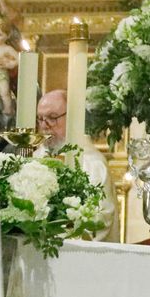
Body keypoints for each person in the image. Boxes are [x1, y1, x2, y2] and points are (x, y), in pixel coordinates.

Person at [34, 89, 116, 240]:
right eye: (40, 119)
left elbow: (101, 219)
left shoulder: (92, 163)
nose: (44, 126)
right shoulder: (35, 158)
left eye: (52, 118)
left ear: (73, 117)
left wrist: (61, 233)